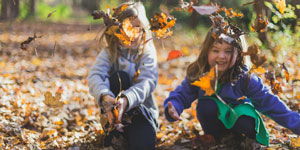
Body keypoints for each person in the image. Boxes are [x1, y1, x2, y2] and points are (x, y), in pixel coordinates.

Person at [164, 15, 300, 148]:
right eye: (215, 50)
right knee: (207, 104)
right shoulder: (199, 73)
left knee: (243, 115)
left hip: (242, 125)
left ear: (239, 54)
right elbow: (182, 94)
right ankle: (218, 140)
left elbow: (271, 103)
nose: (221, 56)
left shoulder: (244, 78)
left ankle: (244, 142)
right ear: (207, 52)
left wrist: (297, 124)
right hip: (215, 127)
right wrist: (174, 106)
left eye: (228, 51)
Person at [88, 2, 158, 150]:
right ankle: (113, 132)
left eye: (136, 27)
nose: (130, 33)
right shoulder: (110, 52)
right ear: (116, 30)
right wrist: (105, 96)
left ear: (143, 29)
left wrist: (127, 99)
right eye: (125, 26)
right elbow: (95, 75)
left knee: (142, 145)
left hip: (142, 114)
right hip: (113, 115)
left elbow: (147, 82)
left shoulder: (147, 53)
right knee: (120, 77)